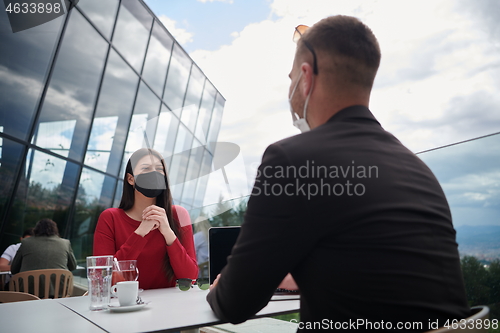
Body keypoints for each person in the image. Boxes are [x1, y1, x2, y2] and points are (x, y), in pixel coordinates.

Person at [207, 15, 469, 331]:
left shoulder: (291, 160)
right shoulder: (417, 169)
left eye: (290, 79)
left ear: (306, 78)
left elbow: (235, 302)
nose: (290, 90)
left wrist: (220, 289)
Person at [93, 148, 198, 289]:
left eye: (159, 169)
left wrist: (168, 233)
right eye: (146, 168)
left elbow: (190, 277)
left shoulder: (178, 215)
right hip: (125, 305)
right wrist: (140, 233)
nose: (154, 173)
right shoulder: (110, 218)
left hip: (170, 306)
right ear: (131, 179)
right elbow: (103, 279)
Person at [11, 219, 76, 273]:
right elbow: (73, 266)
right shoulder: (65, 243)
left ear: (36, 229)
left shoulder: (26, 242)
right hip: (58, 287)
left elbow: (14, 269)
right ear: (55, 229)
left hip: (29, 287)